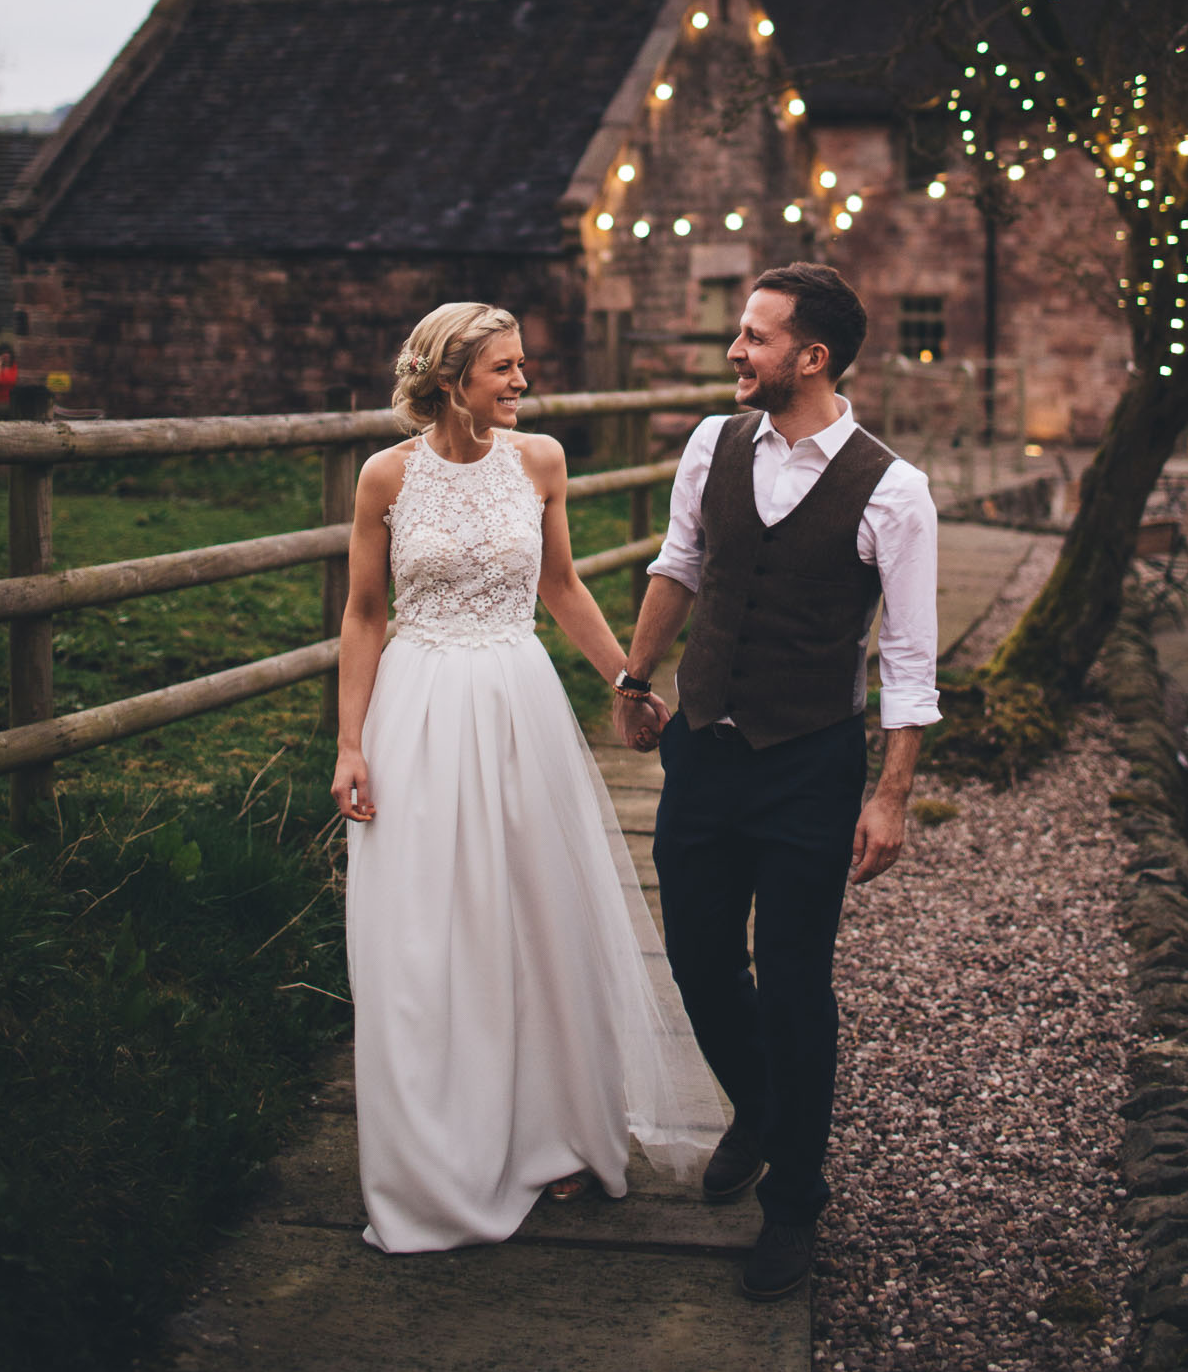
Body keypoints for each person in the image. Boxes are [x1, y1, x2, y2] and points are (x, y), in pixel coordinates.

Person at [332, 301, 717, 1254]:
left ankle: (556, 1134)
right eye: (502, 368)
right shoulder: (386, 476)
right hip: (418, 710)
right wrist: (349, 745)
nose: (521, 382)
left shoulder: (540, 462)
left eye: (521, 365)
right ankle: (437, 1156)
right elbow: (364, 613)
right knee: (426, 930)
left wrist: (626, 679)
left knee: (541, 913)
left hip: (517, 701)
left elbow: (561, 586)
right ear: (449, 376)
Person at [611, 262, 940, 1302]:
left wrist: (889, 794)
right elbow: (682, 562)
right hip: (704, 747)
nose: (733, 352)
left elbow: (912, 656)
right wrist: (634, 675)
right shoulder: (714, 441)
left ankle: (795, 1197)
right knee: (702, 960)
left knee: (796, 984)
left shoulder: (894, 488)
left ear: (813, 357)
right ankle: (756, 1103)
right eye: (738, 333)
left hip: (810, 763)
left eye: (753, 337)